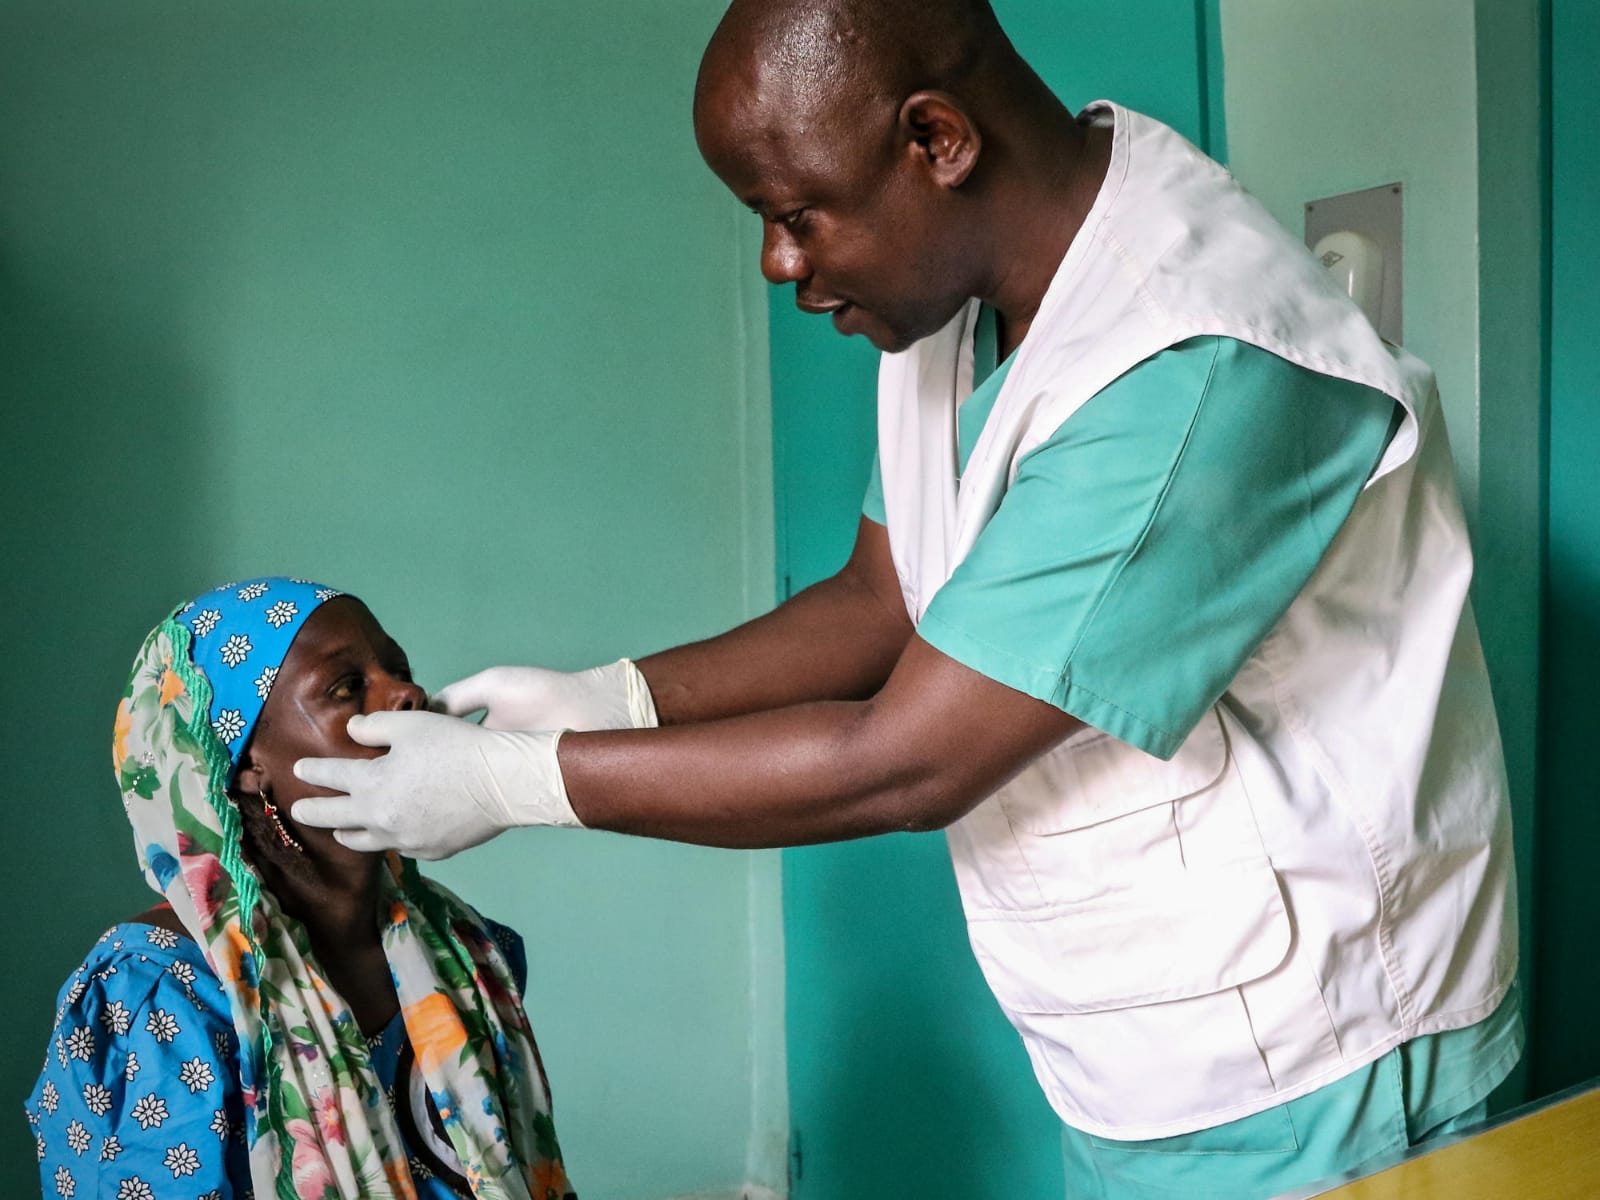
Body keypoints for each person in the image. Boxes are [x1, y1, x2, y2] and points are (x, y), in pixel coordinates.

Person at [294, 1, 1520, 1195]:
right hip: (1143, 1037)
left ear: (935, 140)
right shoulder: (963, 293)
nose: (779, 263)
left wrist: (520, 782)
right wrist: (613, 696)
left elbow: (906, 760)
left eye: (794, 215)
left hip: (1327, 1059)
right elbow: (885, 595)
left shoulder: (1195, 370)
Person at [26, 578, 575, 1200]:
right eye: (347, 687)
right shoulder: (158, 993)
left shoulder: (468, 954)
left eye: (399, 670)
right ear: (243, 762)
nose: (408, 695)